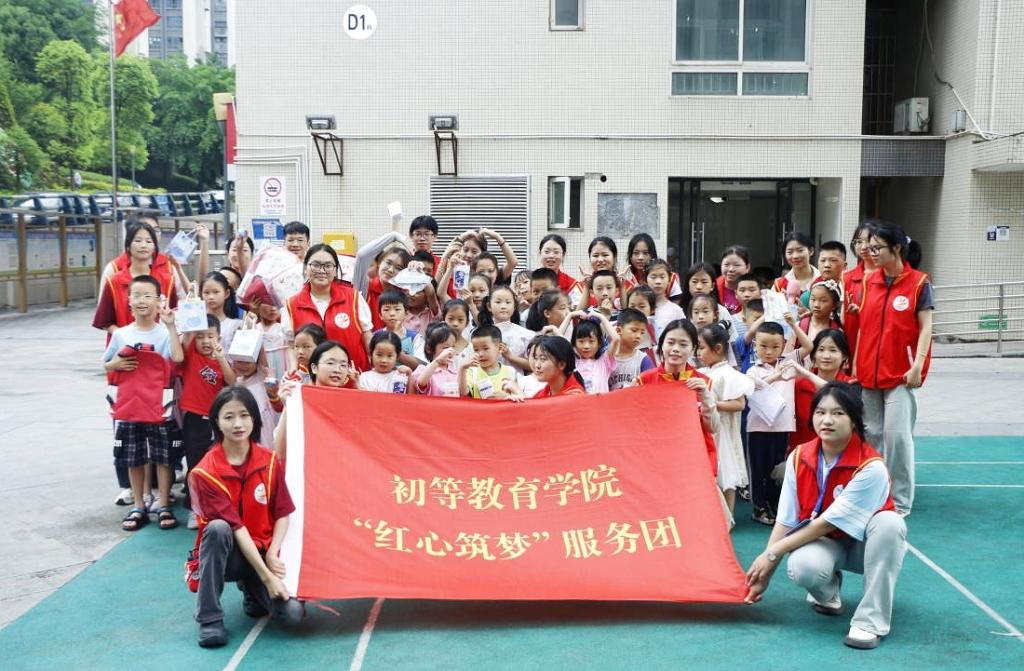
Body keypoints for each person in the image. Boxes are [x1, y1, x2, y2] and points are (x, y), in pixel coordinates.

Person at [743, 382, 907, 651]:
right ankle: (829, 593)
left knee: (890, 523)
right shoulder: (798, 456)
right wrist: (766, 572)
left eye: (838, 413)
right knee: (802, 566)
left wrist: (772, 554)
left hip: (866, 546)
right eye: (820, 412)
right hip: (828, 542)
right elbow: (786, 519)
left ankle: (870, 621)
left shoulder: (871, 467)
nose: (827, 420)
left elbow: (828, 521)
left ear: (854, 420)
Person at [189, 386, 304, 648]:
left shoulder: (269, 460)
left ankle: (252, 591)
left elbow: (283, 512)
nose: (238, 424)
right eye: (229, 417)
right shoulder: (206, 472)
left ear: (254, 418)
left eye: (244, 415)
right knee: (218, 529)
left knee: (294, 615)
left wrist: (272, 553)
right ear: (216, 421)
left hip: (262, 551)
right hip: (229, 556)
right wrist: (268, 577)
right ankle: (209, 618)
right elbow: (236, 527)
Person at [853, 223, 932, 517]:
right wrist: (857, 364)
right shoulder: (868, 282)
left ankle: (899, 502)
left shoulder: (919, 283)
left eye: (877, 248)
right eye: (869, 247)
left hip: (901, 375)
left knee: (897, 437)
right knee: (871, 436)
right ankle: (876, 494)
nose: (870, 252)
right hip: (868, 374)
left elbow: (926, 328)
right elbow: (864, 327)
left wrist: (918, 364)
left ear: (897, 248)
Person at [103, 275, 185, 531]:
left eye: (148, 295)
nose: (142, 300)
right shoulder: (121, 334)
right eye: (136, 295)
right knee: (134, 457)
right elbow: (106, 363)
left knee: (164, 457)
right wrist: (116, 363)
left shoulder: (164, 333)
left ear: (159, 300)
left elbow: (178, 358)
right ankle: (138, 504)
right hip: (129, 406)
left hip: (159, 406)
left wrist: (171, 326)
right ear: (128, 300)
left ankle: (163, 503)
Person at [634, 319, 719, 477]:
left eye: (683, 344)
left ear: (693, 349)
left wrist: (706, 398)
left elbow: (712, 427)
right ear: (661, 345)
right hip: (656, 459)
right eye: (670, 342)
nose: (675, 349)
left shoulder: (703, 382)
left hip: (694, 458)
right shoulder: (644, 381)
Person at [179, 315, 237, 529]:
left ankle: (217, 507)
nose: (205, 341)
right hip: (194, 419)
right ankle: (194, 509)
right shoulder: (191, 354)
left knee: (218, 464)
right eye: (200, 336)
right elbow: (184, 342)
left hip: (216, 420)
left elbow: (232, 381)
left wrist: (220, 358)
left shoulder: (223, 359)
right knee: (195, 465)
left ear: (219, 337)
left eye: (210, 336)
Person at [283, 244, 373, 373]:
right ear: (306, 268)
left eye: (328, 266)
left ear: (336, 270)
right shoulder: (291, 305)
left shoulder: (353, 298)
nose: (321, 270)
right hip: (313, 379)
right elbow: (292, 345)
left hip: (353, 377)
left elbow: (367, 337)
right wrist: (293, 368)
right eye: (315, 265)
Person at [698, 323, 754, 517]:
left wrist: (712, 404)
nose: (698, 352)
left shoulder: (729, 374)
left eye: (702, 347)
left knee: (727, 473)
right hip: (707, 430)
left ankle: (728, 516)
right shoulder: (703, 373)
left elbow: (739, 404)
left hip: (723, 432)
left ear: (718, 348)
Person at [274, 341, 355, 459]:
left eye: (343, 365)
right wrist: (289, 407)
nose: (337, 369)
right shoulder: (299, 399)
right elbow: (280, 452)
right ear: (314, 367)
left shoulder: (350, 404)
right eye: (330, 363)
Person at [787, 329, 859, 451]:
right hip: (802, 455)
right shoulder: (797, 385)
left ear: (844, 356)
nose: (826, 356)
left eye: (833, 350)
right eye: (821, 350)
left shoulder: (852, 385)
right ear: (814, 354)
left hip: (841, 454)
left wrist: (808, 375)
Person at [843, 222, 879, 360]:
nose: (863, 247)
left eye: (868, 241)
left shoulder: (889, 277)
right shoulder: (846, 278)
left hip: (878, 344)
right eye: (858, 242)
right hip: (851, 344)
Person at [560, 311, 620, 394]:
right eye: (581, 341)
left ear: (599, 343)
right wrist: (570, 316)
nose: (586, 346)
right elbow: (556, 342)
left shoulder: (604, 362)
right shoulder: (573, 362)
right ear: (574, 344)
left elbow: (616, 339)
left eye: (591, 341)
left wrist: (601, 316)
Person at [458, 325, 522, 399]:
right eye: (476, 350)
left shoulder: (510, 372)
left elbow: (519, 397)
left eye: (485, 348)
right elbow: (464, 393)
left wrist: (507, 397)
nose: (480, 354)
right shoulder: (472, 372)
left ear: (500, 348)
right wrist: (462, 368)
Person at [622, 233, 683, 300]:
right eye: (636, 253)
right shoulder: (627, 286)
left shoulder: (670, 278)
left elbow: (676, 305)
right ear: (630, 257)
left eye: (645, 253)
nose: (640, 257)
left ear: (652, 255)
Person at [608, 308, 656, 391]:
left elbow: (651, 389)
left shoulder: (644, 360)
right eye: (634, 330)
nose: (638, 336)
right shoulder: (606, 357)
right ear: (618, 330)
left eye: (642, 333)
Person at [375, 289, 421, 369]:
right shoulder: (375, 337)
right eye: (386, 309)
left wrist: (395, 350)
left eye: (397, 309)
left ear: (406, 313)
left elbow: (419, 365)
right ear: (380, 315)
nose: (392, 313)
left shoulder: (415, 337)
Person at [772, 232, 820, 306]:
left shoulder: (824, 280)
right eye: (790, 252)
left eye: (800, 250)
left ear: (811, 251)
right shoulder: (779, 285)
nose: (795, 256)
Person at [413, 324, 461, 397]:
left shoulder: (456, 371)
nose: (450, 351)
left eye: (453, 347)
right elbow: (421, 383)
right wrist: (437, 361)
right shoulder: (423, 369)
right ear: (429, 349)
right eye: (446, 347)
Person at [646, 259, 685, 341]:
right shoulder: (639, 306)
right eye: (653, 277)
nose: (658, 281)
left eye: (662, 277)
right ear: (646, 280)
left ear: (669, 280)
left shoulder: (676, 311)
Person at [718, 246, 752, 314]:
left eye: (737, 265)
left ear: (747, 267)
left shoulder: (756, 292)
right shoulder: (712, 288)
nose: (731, 269)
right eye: (726, 264)